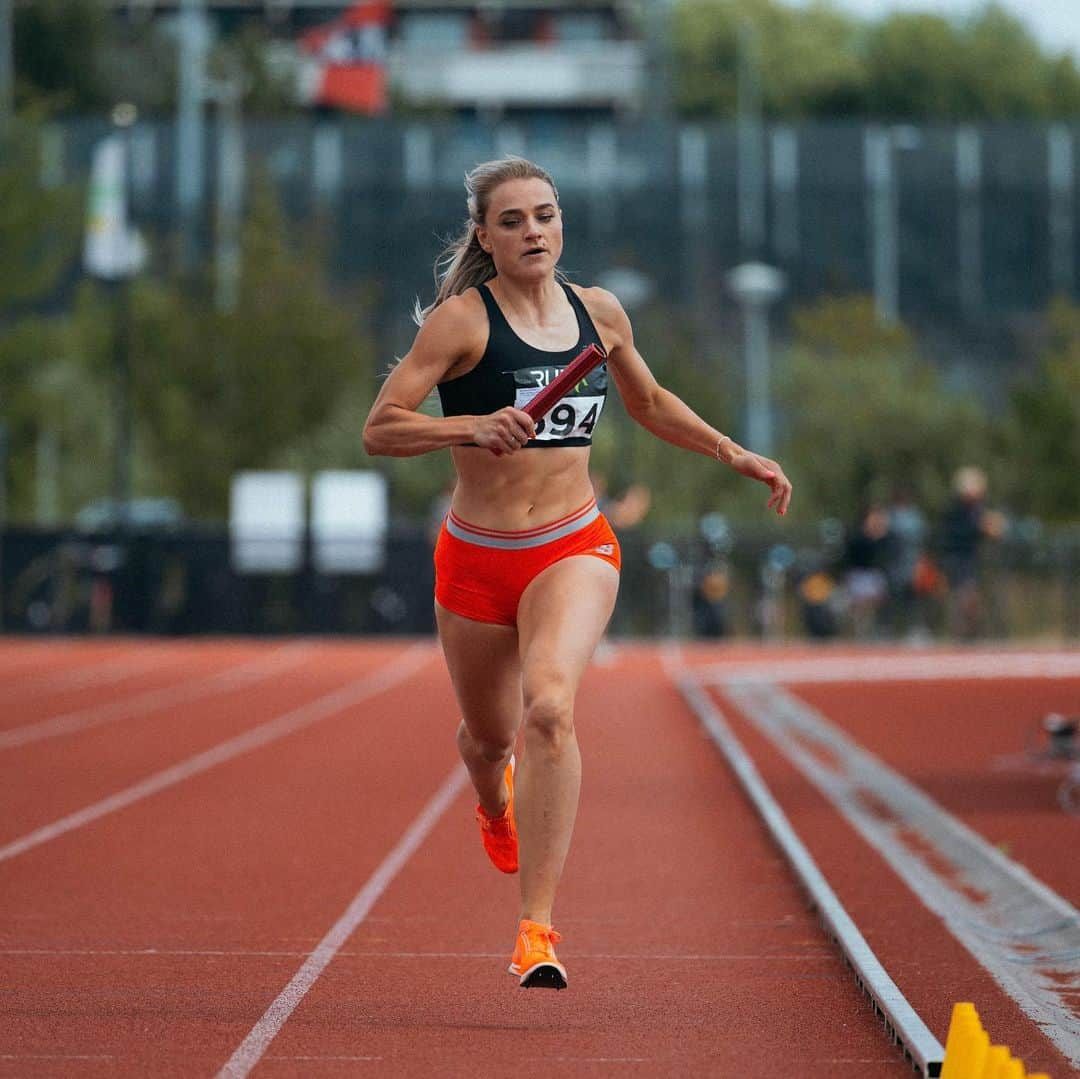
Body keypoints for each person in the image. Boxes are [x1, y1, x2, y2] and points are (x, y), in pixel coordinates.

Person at [362, 157, 792, 990]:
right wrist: (471, 427)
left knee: (550, 706)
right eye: (515, 219)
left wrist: (734, 451)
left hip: (573, 544)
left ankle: (537, 929)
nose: (535, 231)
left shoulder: (599, 314)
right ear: (485, 236)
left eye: (546, 216)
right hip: (477, 556)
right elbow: (380, 428)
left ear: (563, 225)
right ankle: (494, 797)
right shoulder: (460, 324)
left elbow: (651, 401)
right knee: (488, 741)